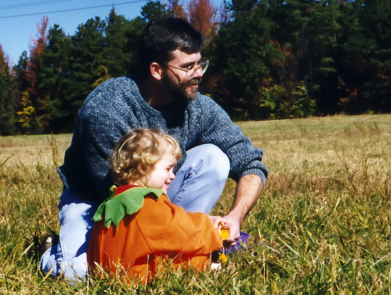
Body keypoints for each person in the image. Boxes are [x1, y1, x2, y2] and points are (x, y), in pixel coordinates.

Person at [39, 17, 268, 280]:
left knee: (214, 159)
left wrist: (235, 217)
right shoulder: (107, 109)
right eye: (188, 66)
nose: (200, 73)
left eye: (200, 63)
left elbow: (251, 163)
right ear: (157, 70)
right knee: (82, 274)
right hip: (100, 200)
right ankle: (51, 250)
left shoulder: (198, 106)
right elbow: (122, 199)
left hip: (161, 195)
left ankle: (180, 249)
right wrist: (200, 230)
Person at [88, 128, 225, 283]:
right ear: (143, 168)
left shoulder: (112, 201)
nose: (173, 175)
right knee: (196, 255)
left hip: (111, 278)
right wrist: (213, 230)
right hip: (139, 279)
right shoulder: (147, 201)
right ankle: (210, 266)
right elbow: (183, 233)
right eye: (168, 169)